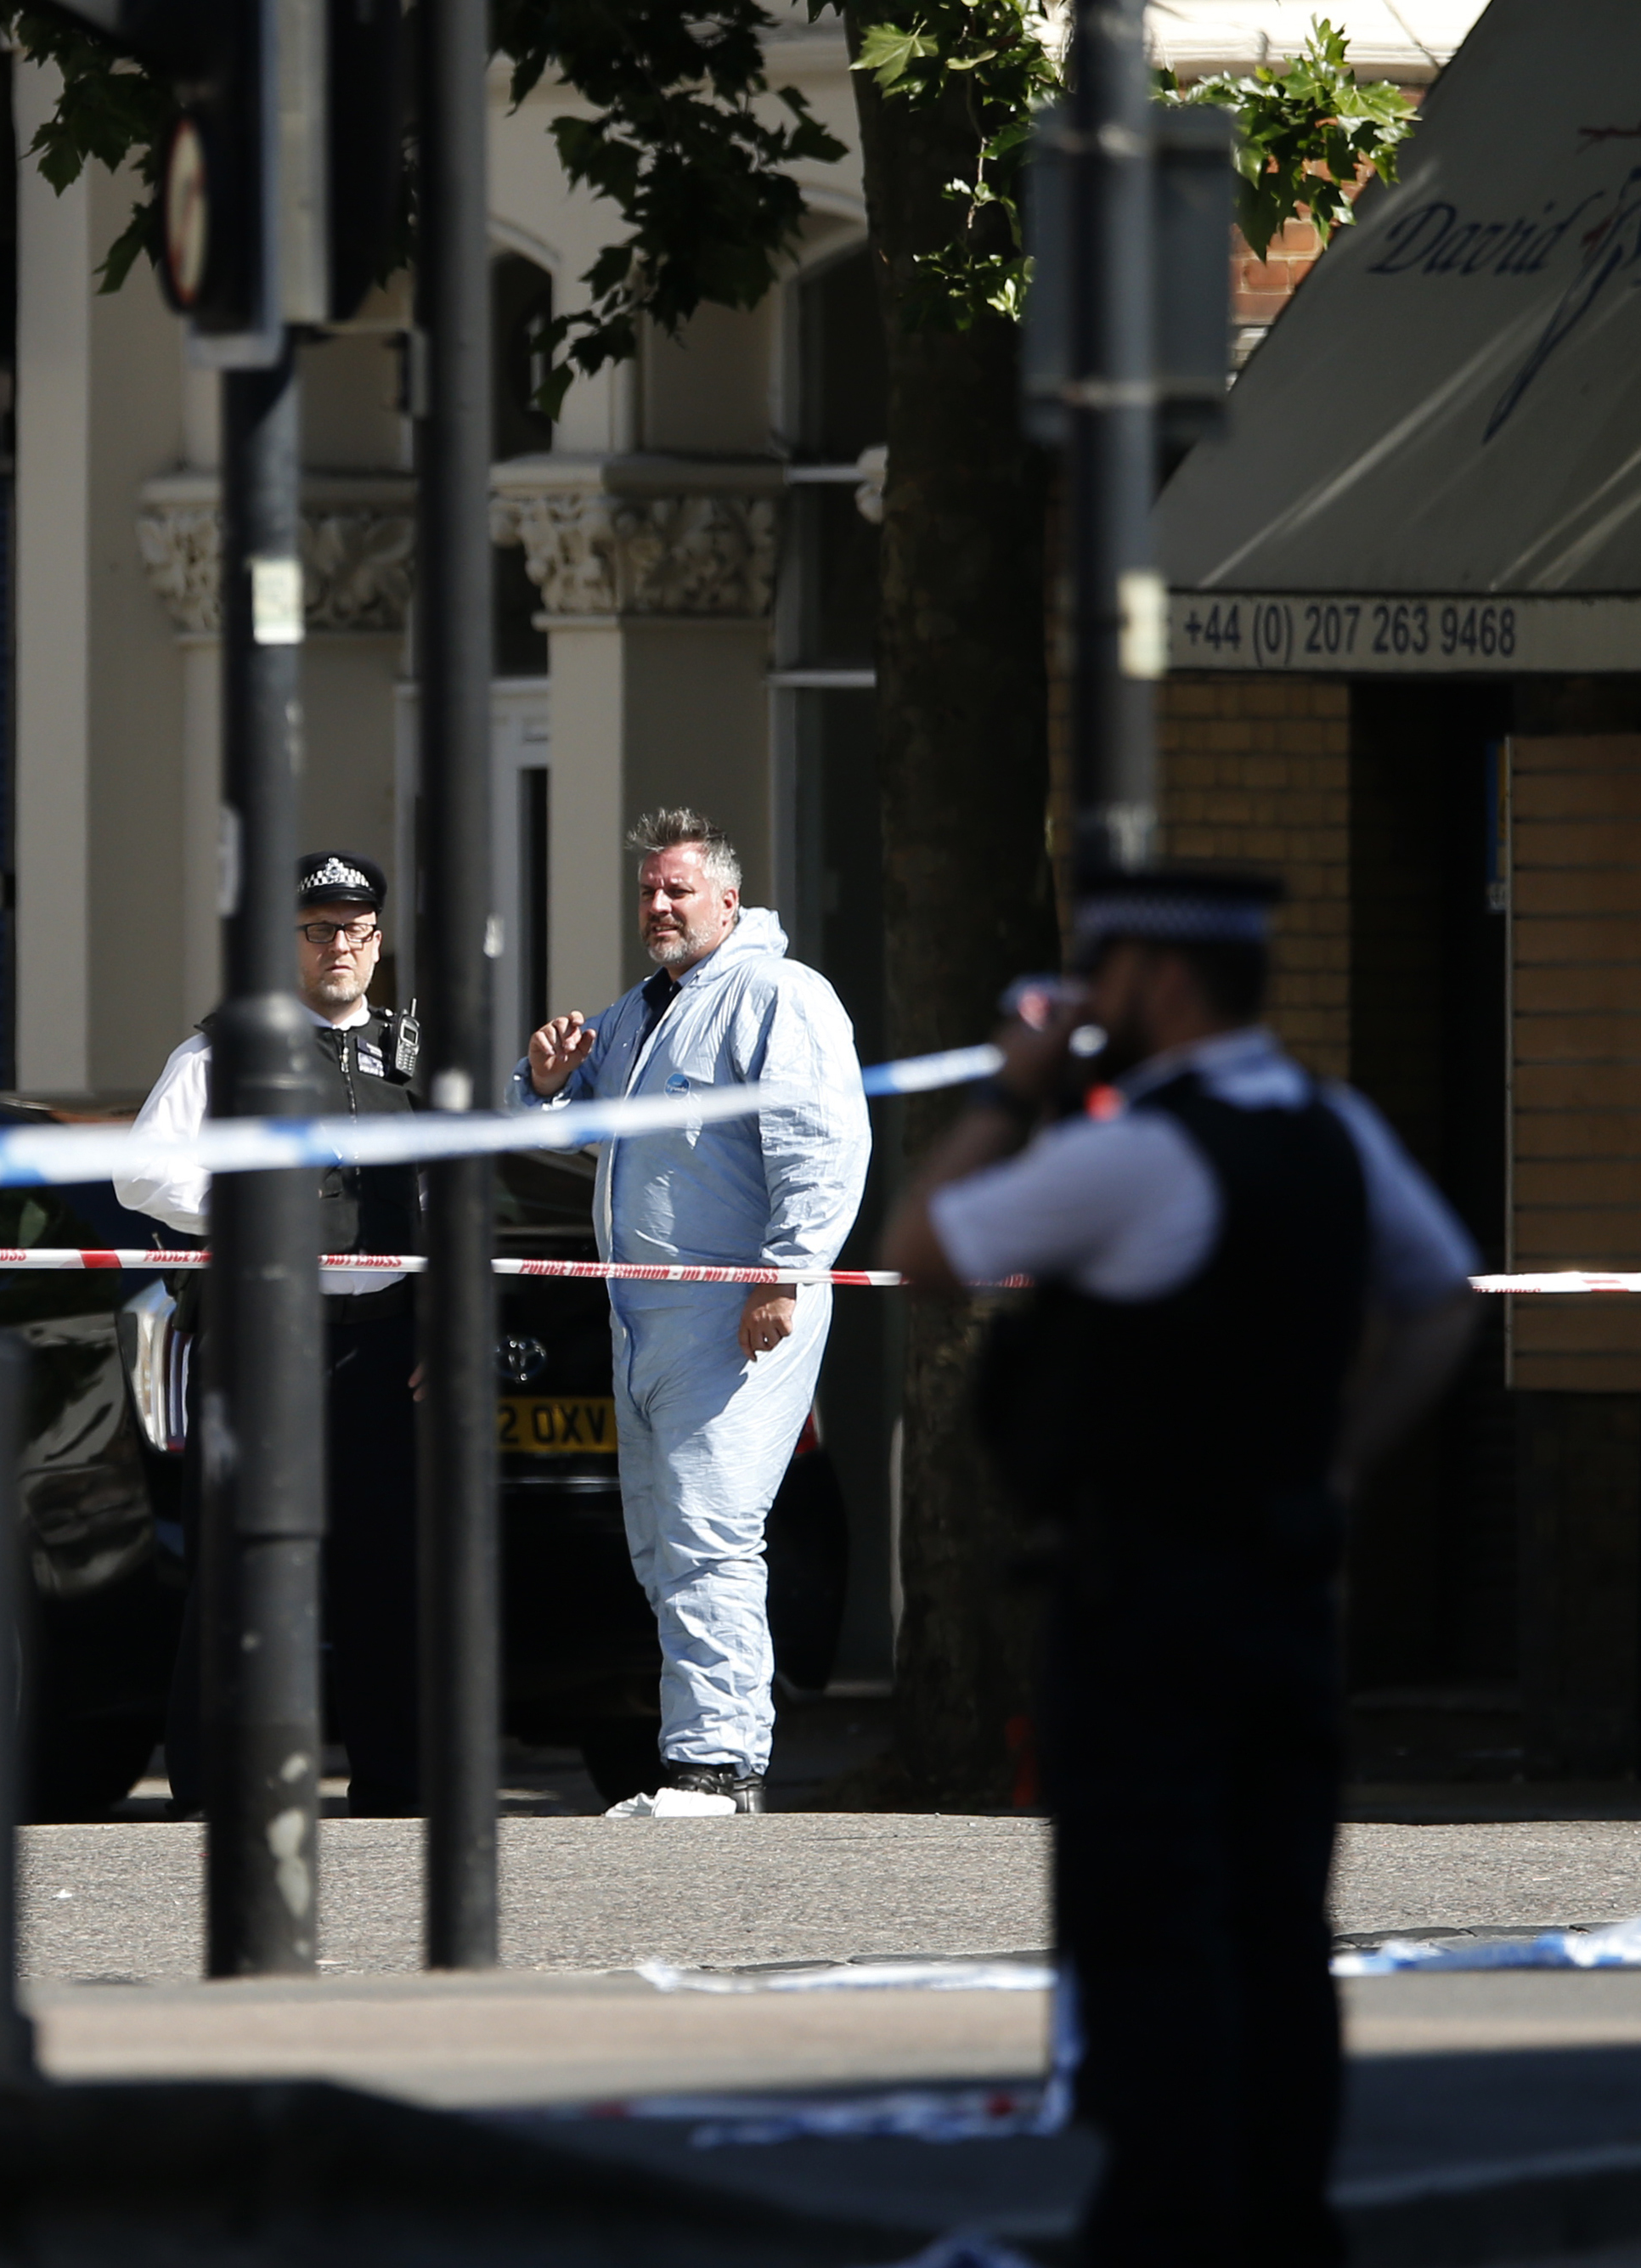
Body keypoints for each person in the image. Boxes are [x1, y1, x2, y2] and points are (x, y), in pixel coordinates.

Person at [880, 864, 1475, 2264]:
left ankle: (1166, 2223)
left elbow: (919, 1247)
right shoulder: (1331, 1126)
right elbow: (1441, 1298)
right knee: (1276, 1922)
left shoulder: (1137, 1153)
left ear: (1153, 980)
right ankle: (1282, 2222)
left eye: (1101, 977)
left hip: (1141, 1598)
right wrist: (1336, 1459)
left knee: (1146, 1922)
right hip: (1287, 1589)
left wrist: (1010, 1088)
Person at [516, 808, 867, 1817]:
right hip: (643, 1324)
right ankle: (704, 1757)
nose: (659, 906)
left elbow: (821, 1147)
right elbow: (567, 1123)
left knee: (711, 1533)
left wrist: (784, 1276)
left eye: (678, 889)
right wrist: (544, 1081)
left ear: (730, 899)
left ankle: (720, 1764)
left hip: (732, 1315)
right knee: (663, 1545)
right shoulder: (642, 1010)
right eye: (648, 891)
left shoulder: (779, 996)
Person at [116, 850, 428, 1812]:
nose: (340, 948)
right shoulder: (227, 1051)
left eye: (356, 930)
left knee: (387, 1576)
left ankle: (397, 1789)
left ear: (378, 942)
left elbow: (444, 1195)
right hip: (266, 1346)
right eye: (318, 930)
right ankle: (219, 1790)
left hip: (382, 1348)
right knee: (244, 1571)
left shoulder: (410, 1054)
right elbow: (142, 1174)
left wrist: (438, 1325)